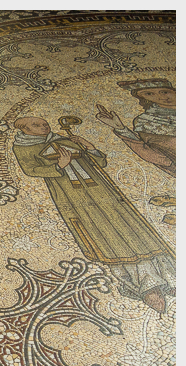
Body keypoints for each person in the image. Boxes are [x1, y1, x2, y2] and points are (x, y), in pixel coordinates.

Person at [12, 117, 175, 313]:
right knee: (104, 236)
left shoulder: (64, 140)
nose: (43, 126)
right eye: (36, 125)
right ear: (24, 129)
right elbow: (31, 169)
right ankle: (144, 286)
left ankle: (170, 276)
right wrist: (59, 166)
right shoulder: (23, 147)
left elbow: (100, 162)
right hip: (73, 196)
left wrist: (89, 147)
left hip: (102, 189)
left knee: (132, 227)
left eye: (44, 123)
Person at [96, 78, 176, 224]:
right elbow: (154, 154)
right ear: (144, 99)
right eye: (149, 94)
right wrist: (120, 128)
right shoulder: (147, 121)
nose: (161, 97)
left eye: (164, 92)